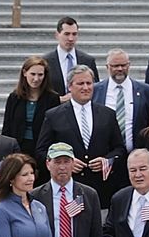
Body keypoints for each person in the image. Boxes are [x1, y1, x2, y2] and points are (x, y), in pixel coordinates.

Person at [35, 66, 124, 203]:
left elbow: (119, 149)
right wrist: (64, 162)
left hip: (101, 190)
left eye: (89, 83)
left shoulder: (108, 114)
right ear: (70, 86)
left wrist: (107, 161)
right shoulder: (54, 115)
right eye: (80, 83)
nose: (86, 87)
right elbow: (41, 151)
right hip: (67, 187)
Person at [98, 48, 149, 160]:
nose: (120, 69)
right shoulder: (96, 91)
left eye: (123, 65)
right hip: (106, 158)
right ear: (107, 67)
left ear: (129, 65)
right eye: (115, 66)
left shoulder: (147, 91)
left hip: (138, 156)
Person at [3, 55, 56, 147]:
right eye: (33, 74)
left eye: (40, 75)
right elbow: (7, 127)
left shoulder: (52, 98)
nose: (36, 79)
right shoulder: (14, 97)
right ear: (24, 73)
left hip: (42, 147)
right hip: (17, 147)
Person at [42, 17, 98, 103]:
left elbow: (95, 88)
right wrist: (59, 100)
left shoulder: (88, 61)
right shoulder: (45, 61)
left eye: (74, 34)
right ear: (57, 35)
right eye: (67, 34)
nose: (71, 38)